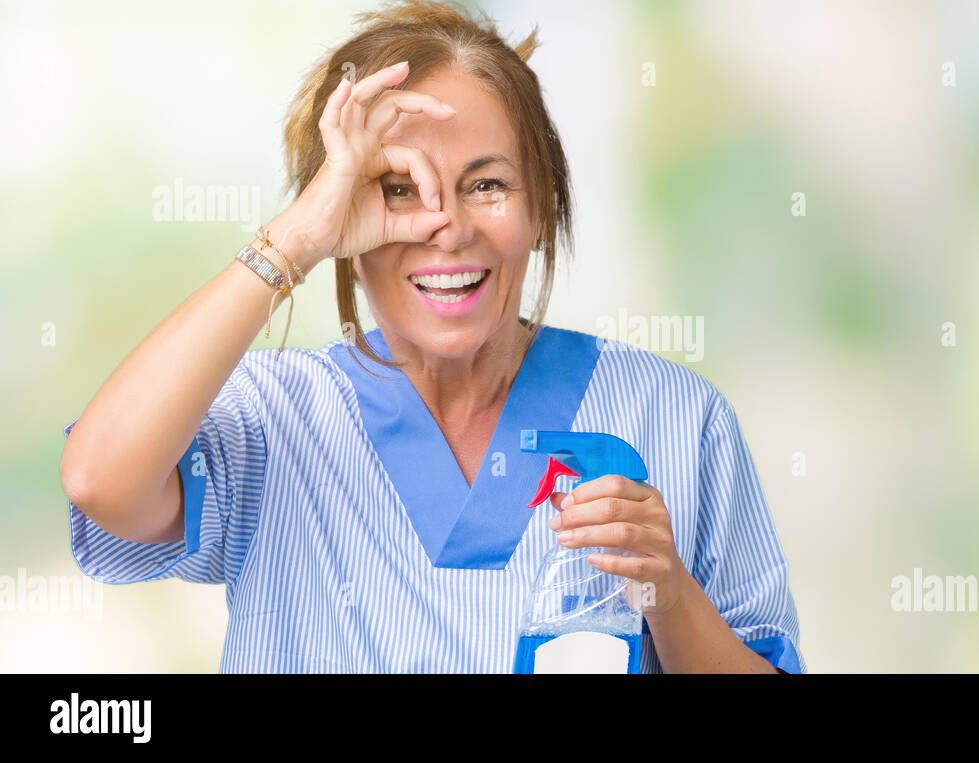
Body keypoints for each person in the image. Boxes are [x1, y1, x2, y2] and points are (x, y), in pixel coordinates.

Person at [58, 0, 804, 673]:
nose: (445, 226)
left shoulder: (675, 416)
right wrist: (295, 240)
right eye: (397, 189)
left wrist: (667, 591)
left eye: (487, 184)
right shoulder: (270, 417)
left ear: (541, 204)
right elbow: (100, 481)